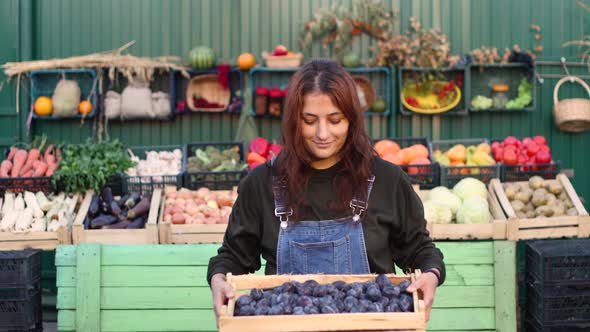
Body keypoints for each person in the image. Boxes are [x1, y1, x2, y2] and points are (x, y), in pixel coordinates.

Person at [208, 59, 445, 322]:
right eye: (309, 120)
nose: (323, 133)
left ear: (351, 120)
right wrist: (219, 280)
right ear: (294, 121)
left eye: (335, 120)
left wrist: (430, 274)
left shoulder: (386, 180)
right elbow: (233, 257)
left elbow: (419, 249)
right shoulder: (262, 183)